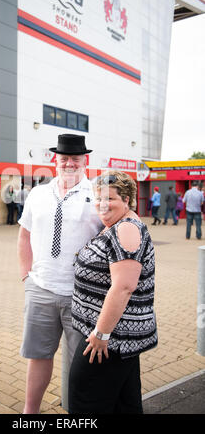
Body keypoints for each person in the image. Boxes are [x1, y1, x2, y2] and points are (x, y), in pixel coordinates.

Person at [17, 134, 102, 414]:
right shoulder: (38, 193)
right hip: (40, 288)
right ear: (55, 160)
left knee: (82, 363)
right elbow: (24, 235)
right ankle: (30, 413)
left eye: (74, 158)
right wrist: (25, 277)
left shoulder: (98, 195)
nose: (68, 163)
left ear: (84, 161)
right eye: (63, 158)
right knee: (38, 357)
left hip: (82, 294)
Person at [69, 171, 158, 414]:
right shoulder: (119, 225)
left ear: (127, 200)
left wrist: (101, 334)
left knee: (84, 402)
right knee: (123, 405)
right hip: (116, 341)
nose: (102, 204)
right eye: (98, 198)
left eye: (110, 198)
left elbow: (124, 287)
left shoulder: (126, 229)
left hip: (110, 341)